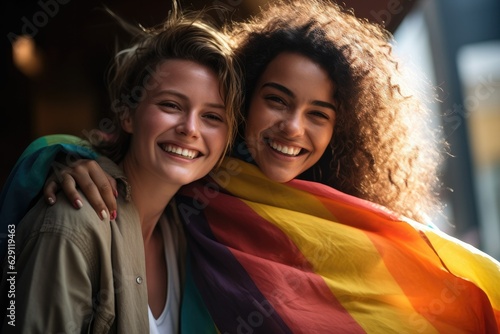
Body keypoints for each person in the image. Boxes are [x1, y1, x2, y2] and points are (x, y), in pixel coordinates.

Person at [2, 0, 500, 332]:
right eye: (276, 101)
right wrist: (67, 158)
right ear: (244, 107)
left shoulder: (353, 225)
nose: (292, 128)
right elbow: (116, 152)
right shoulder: (194, 196)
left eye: (318, 115)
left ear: (343, 131)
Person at [0, 5, 242, 333]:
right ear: (127, 115)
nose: (190, 129)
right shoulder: (72, 223)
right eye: (171, 105)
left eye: (212, 116)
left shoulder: (188, 232)